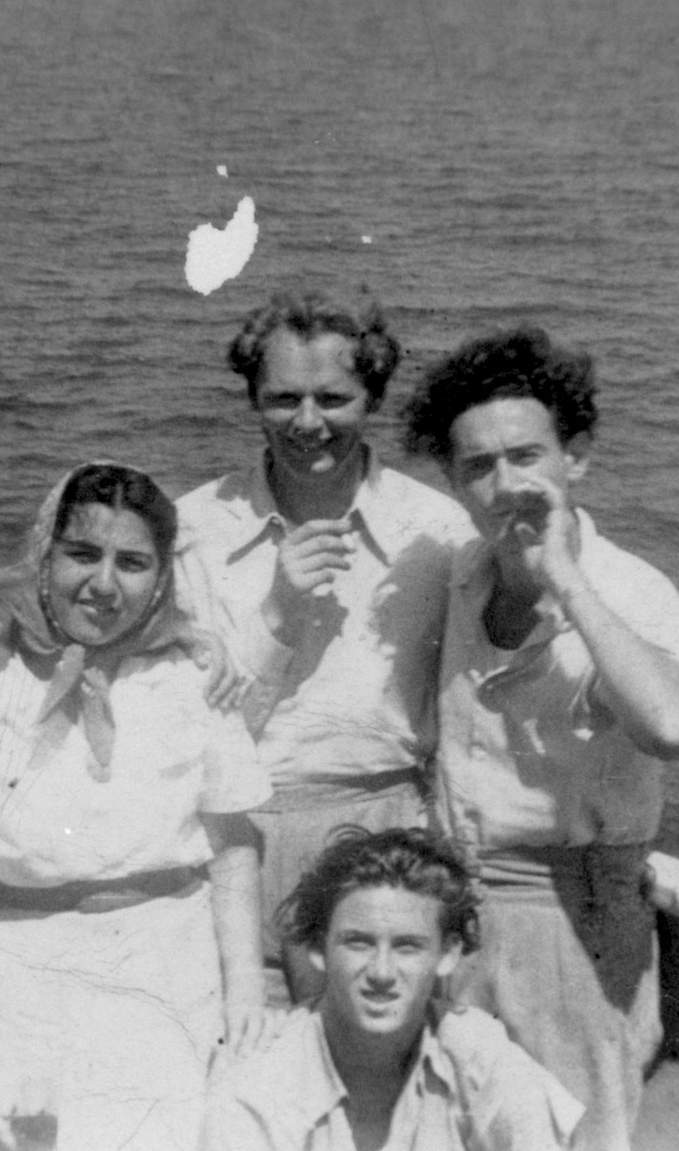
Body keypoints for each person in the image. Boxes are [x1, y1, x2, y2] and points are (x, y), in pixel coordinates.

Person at [399, 326, 679, 1151]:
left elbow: (675, 726)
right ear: (451, 479)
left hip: (574, 921)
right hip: (457, 912)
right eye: (478, 466)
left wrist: (566, 580)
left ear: (575, 457)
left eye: (526, 456)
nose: (507, 485)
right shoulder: (462, 577)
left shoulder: (630, 593)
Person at [0, 461, 273, 1151]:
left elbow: (233, 842)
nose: (104, 584)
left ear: (161, 577)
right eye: (81, 554)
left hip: (165, 968)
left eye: (133, 563)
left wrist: (244, 990)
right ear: (43, 554)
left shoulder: (194, 673)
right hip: (25, 975)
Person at [174, 291, 473, 1001]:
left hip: (390, 837)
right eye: (283, 399)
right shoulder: (192, 527)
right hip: (234, 837)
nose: (308, 424)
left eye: (333, 398)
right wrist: (279, 611)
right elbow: (194, 738)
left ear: (373, 398)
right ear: (253, 399)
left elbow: (465, 722)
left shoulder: (436, 532)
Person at [203, 827, 583, 1151]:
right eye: (359, 943)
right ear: (318, 949)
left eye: (407, 946)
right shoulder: (260, 1078)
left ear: (448, 954)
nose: (382, 972)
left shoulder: (477, 1051)